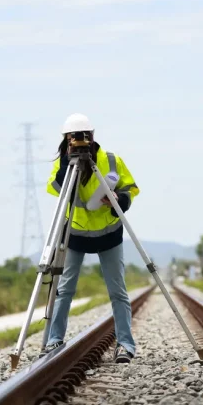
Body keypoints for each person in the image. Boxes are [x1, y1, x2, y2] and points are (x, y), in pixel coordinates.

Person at [43, 113, 140, 363]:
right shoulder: (63, 164)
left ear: (92, 136)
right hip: (74, 234)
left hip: (108, 233)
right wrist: (68, 160)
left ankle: (125, 345)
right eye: (73, 137)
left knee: (117, 291)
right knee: (64, 289)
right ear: (66, 139)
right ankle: (54, 339)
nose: (79, 141)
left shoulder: (109, 160)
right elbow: (57, 186)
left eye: (82, 136)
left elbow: (130, 188)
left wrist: (120, 199)